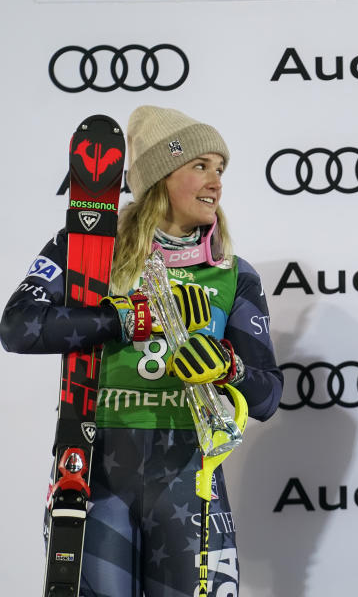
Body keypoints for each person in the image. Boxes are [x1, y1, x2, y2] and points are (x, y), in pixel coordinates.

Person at [0, 106, 282, 596]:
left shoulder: (233, 272)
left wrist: (227, 368)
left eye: (220, 169)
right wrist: (122, 318)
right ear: (158, 178)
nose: (216, 181)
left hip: (188, 474)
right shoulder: (83, 248)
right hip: (95, 465)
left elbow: (268, 396)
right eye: (200, 166)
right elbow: (18, 327)